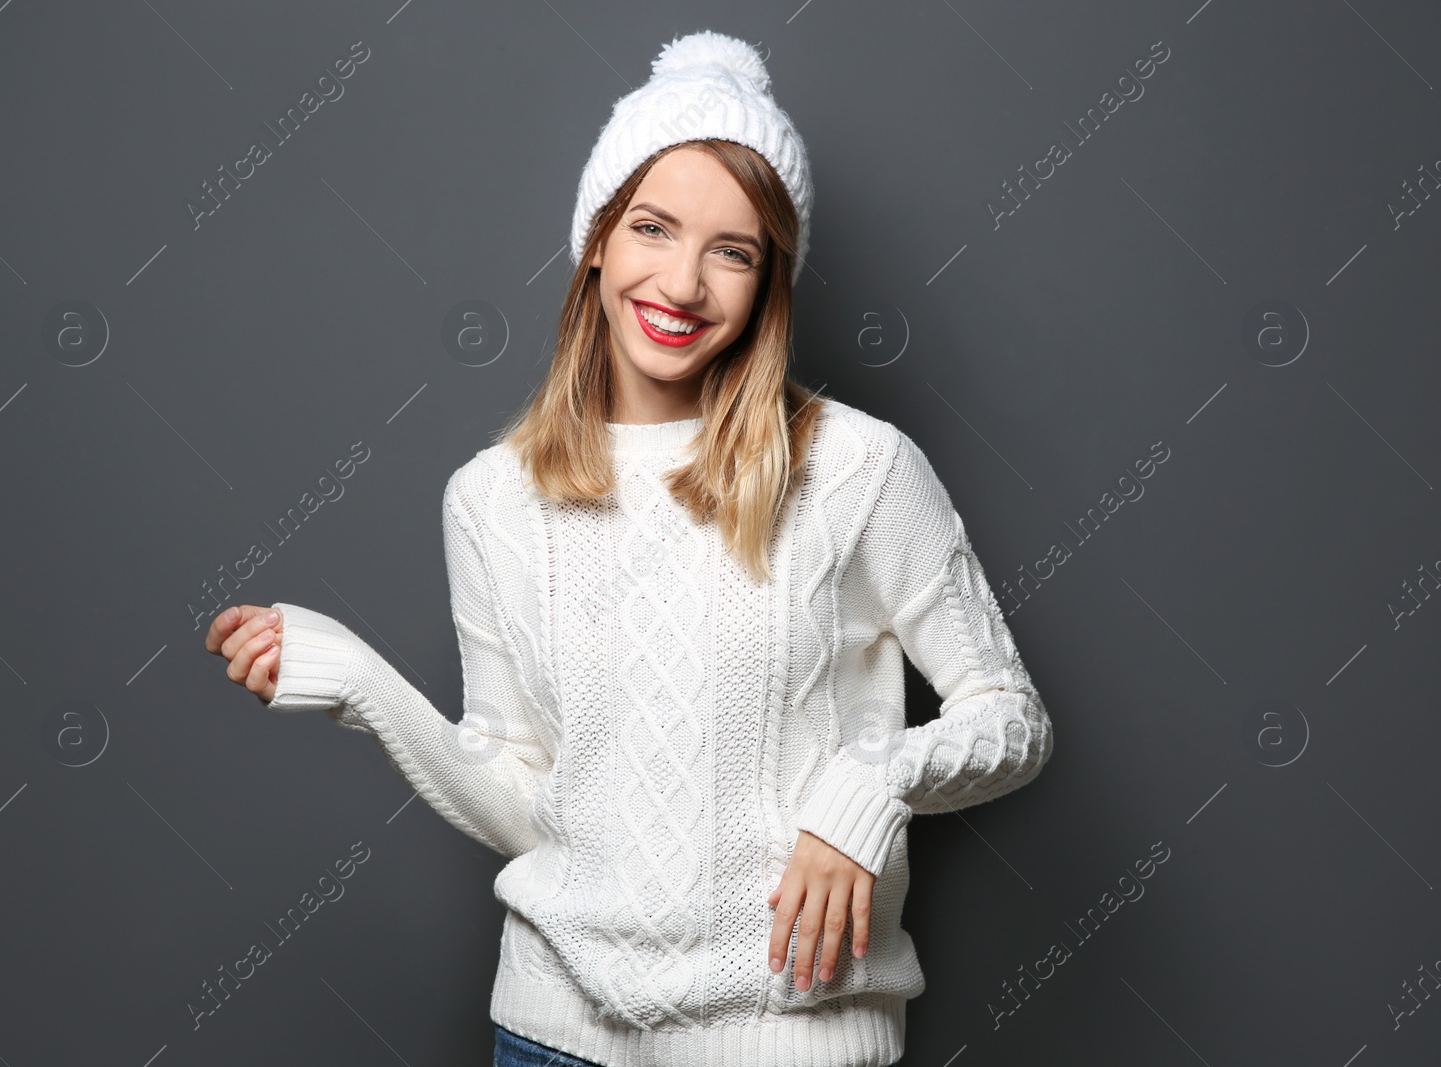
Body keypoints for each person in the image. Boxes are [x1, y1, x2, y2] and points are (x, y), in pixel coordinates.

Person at [204, 30, 1053, 1067]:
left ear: (768, 280)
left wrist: (869, 785)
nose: (684, 283)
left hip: (790, 1042)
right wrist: (361, 683)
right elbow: (528, 803)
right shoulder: (490, 499)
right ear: (598, 238)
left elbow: (1011, 718)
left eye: (732, 251)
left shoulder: (859, 468)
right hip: (550, 1038)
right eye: (653, 227)